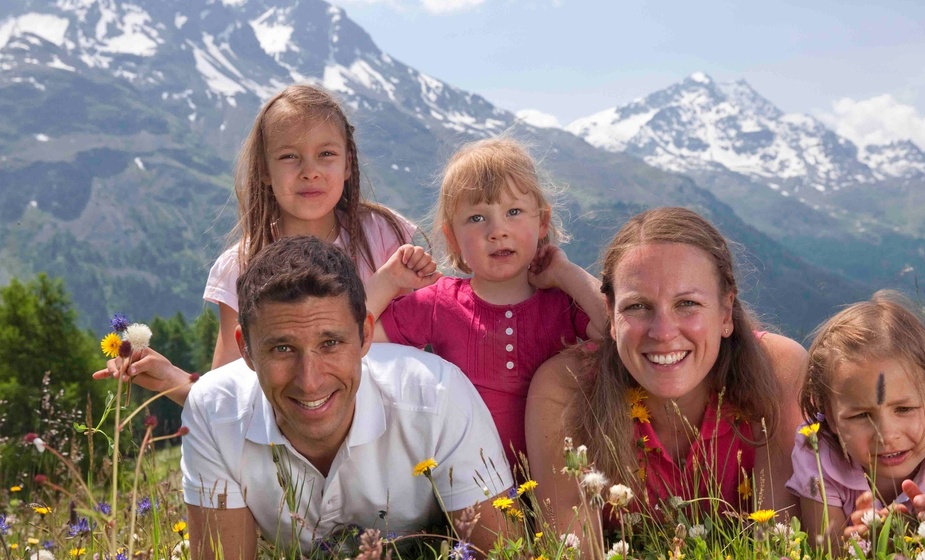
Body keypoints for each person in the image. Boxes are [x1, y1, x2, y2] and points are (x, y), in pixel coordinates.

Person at [94, 84, 434, 404]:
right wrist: (170, 379)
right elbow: (230, 393)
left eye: (326, 153)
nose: (310, 171)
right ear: (264, 171)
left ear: (348, 163)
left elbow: (429, 337)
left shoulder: (385, 235)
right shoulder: (240, 266)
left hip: (393, 432)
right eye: (289, 157)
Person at [181, 235, 511, 559]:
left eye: (330, 344)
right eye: (282, 349)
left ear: (365, 335)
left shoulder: (437, 396)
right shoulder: (213, 412)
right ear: (246, 350)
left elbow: (502, 553)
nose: (309, 381)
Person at [524, 207, 806, 556]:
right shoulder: (566, 388)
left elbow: (775, 545)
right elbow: (573, 550)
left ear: (725, 311)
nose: (663, 332)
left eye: (687, 303)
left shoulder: (779, 370)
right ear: (610, 315)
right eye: (638, 307)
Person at [365, 138, 605, 468]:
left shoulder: (562, 301)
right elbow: (353, 336)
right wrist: (388, 281)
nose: (497, 231)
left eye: (514, 212)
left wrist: (566, 273)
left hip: (555, 478)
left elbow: (615, 328)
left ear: (543, 222)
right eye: (477, 218)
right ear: (452, 237)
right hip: (470, 485)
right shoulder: (440, 303)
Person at [787, 291, 925, 552]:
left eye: (904, 408)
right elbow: (824, 550)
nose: (886, 434)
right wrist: (861, 546)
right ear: (829, 418)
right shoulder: (820, 457)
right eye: (861, 415)